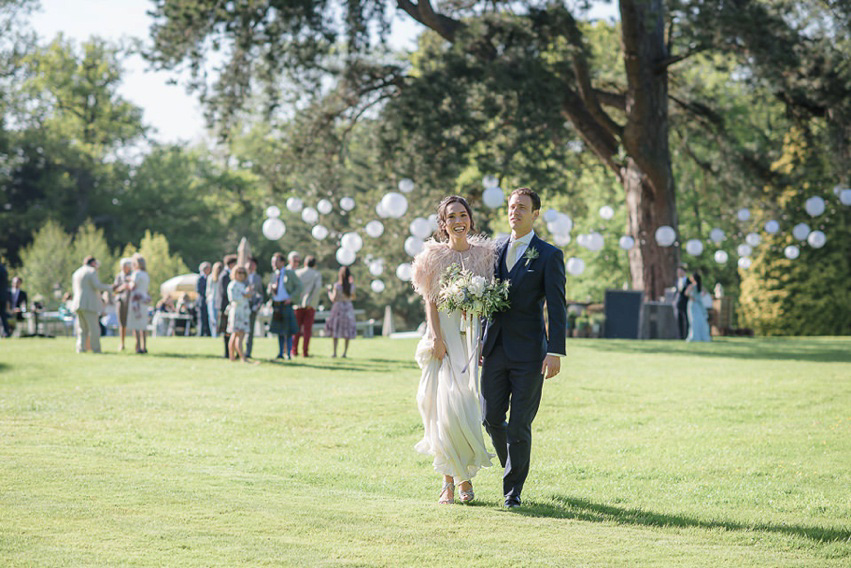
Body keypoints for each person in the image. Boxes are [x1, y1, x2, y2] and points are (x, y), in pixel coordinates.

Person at [481, 187, 567, 509]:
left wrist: (555, 350)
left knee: (519, 424)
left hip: (531, 353)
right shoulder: (493, 249)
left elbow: (557, 308)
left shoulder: (548, 255)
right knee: (490, 418)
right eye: (512, 206)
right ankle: (511, 466)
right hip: (493, 349)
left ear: (535, 214)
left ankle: (512, 491)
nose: (515, 212)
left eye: (522, 207)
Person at [411, 195, 495, 505]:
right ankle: (451, 481)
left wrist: (483, 338)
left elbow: (489, 302)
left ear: (470, 219)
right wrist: (436, 338)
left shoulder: (486, 256)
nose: (458, 220)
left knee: (467, 407)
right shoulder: (433, 256)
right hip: (443, 339)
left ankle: (465, 475)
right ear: (443, 225)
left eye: (463, 214)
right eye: (451, 217)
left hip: (470, 338)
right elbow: (430, 301)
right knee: (444, 409)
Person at [70, 256, 115, 353]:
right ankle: (96, 349)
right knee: (94, 329)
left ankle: (81, 348)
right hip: (89, 304)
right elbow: (97, 286)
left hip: (78, 303)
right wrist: (111, 288)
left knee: (82, 329)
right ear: (93, 263)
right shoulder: (92, 271)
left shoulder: (77, 272)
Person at [268, 252, 302, 360]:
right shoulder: (274, 275)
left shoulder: (289, 273)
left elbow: (299, 287)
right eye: (273, 262)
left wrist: (291, 298)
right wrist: (271, 290)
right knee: (279, 330)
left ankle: (288, 353)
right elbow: (270, 291)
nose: (273, 264)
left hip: (286, 304)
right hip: (277, 305)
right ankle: (280, 352)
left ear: (282, 262)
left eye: (276, 261)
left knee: (288, 330)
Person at [325, 266, 357, 358]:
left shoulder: (337, 286)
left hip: (338, 308)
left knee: (336, 330)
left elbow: (333, 299)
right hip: (348, 308)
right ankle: (344, 353)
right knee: (347, 330)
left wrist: (329, 292)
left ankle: (334, 352)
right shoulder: (352, 286)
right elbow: (353, 297)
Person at [294, 255, 322, 357]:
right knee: (307, 330)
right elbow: (317, 288)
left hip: (297, 305)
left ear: (305, 263)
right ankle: (305, 352)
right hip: (310, 306)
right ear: (314, 264)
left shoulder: (298, 273)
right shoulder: (316, 274)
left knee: (296, 329)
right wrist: (311, 302)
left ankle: (294, 350)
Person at [226, 266, 254, 363]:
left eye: (243, 273)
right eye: (239, 272)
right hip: (237, 313)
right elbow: (233, 298)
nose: (241, 274)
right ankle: (242, 357)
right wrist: (245, 295)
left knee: (236, 335)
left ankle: (233, 357)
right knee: (238, 335)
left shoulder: (242, 285)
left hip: (244, 312)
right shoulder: (233, 285)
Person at [126, 253, 151, 354]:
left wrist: (128, 281)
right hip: (144, 299)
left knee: (136, 324)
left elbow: (132, 286)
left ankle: (138, 346)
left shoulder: (136, 274)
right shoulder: (146, 274)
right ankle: (144, 346)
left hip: (136, 301)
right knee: (143, 325)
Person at [218, 255, 238, 358]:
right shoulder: (225, 276)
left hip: (231, 307)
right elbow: (225, 293)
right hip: (226, 307)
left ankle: (235, 351)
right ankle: (227, 352)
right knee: (227, 331)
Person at [244, 257, 264, 359]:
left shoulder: (258, 278)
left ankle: (248, 352)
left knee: (250, 331)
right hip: (243, 307)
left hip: (253, 307)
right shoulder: (242, 276)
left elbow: (260, 294)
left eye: (252, 264)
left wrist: (258, 305)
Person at [113, 258, 133, 351]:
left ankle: (136, 343)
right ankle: (122, 343)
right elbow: (115, 290)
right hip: (121, 301)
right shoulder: (119, 276)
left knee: (133, 323)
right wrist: (122, 287)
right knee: (122, 323)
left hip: (131, 301)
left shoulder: (133, 275)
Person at [686, 272, 711, 342]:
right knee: (700, 320)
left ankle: (694, 336)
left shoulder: (692, 286)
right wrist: (699, 297)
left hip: (693, 304)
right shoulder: (700, 285)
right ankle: (702, 336)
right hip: (699, 304)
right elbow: (705, 292)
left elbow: (686, 293)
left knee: (693, 320)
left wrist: (692, 297)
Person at [207, 261, 224, 338]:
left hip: (219, 300)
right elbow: (208, 290)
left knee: (218, 319)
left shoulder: (221, 277)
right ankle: (214, 334)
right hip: (212, 300)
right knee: (212, 318)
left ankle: (217, 333)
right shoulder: (211, 277)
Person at [674, 265, 690, 340]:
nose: (679, 273)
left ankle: (687, 335)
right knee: (678, 320)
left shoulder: (688, 280)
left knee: (686, 320)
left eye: (680, 271)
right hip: (678, 303)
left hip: (686, 303)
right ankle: (680, 336)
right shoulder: (677, 281)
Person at [197, 262, 212, 336]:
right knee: (202, 318)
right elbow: (199, 290)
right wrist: (206, 295)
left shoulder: (209, 278)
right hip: (202, 301)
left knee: (207, 318)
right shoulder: (200, 278)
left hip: (208, 300)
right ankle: (201, 333)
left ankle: (208, 333)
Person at [0, 261, 10, 337]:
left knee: (3, 315)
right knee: (3, 315)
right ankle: (6, 332)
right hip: (3, 296)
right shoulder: (3, 269)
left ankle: (6, 331)